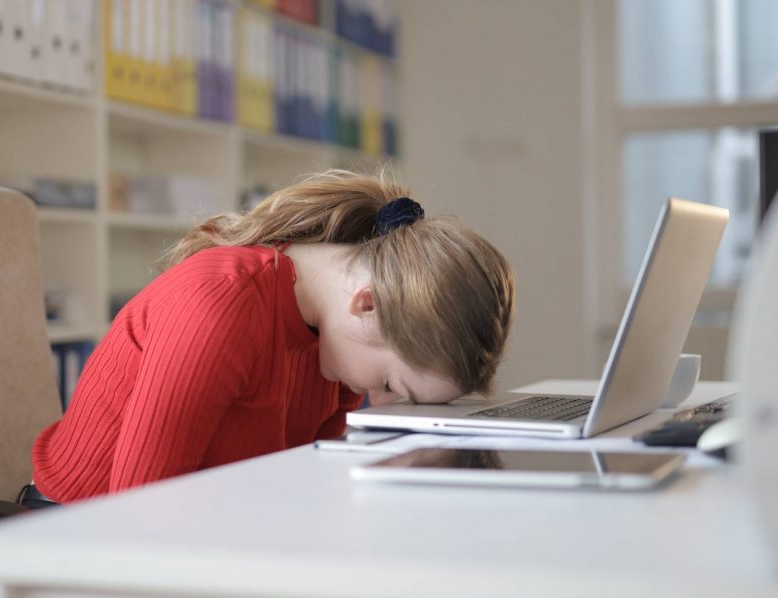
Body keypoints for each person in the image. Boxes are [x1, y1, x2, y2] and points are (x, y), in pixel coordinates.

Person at [29, 169, 515, 503]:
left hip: (207, 531)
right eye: (392, 387)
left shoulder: (336, 344)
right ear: (367, 304)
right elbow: (140, 515)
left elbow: (300, 488)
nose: (382, 405)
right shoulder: (221, 303)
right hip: (76, 540)